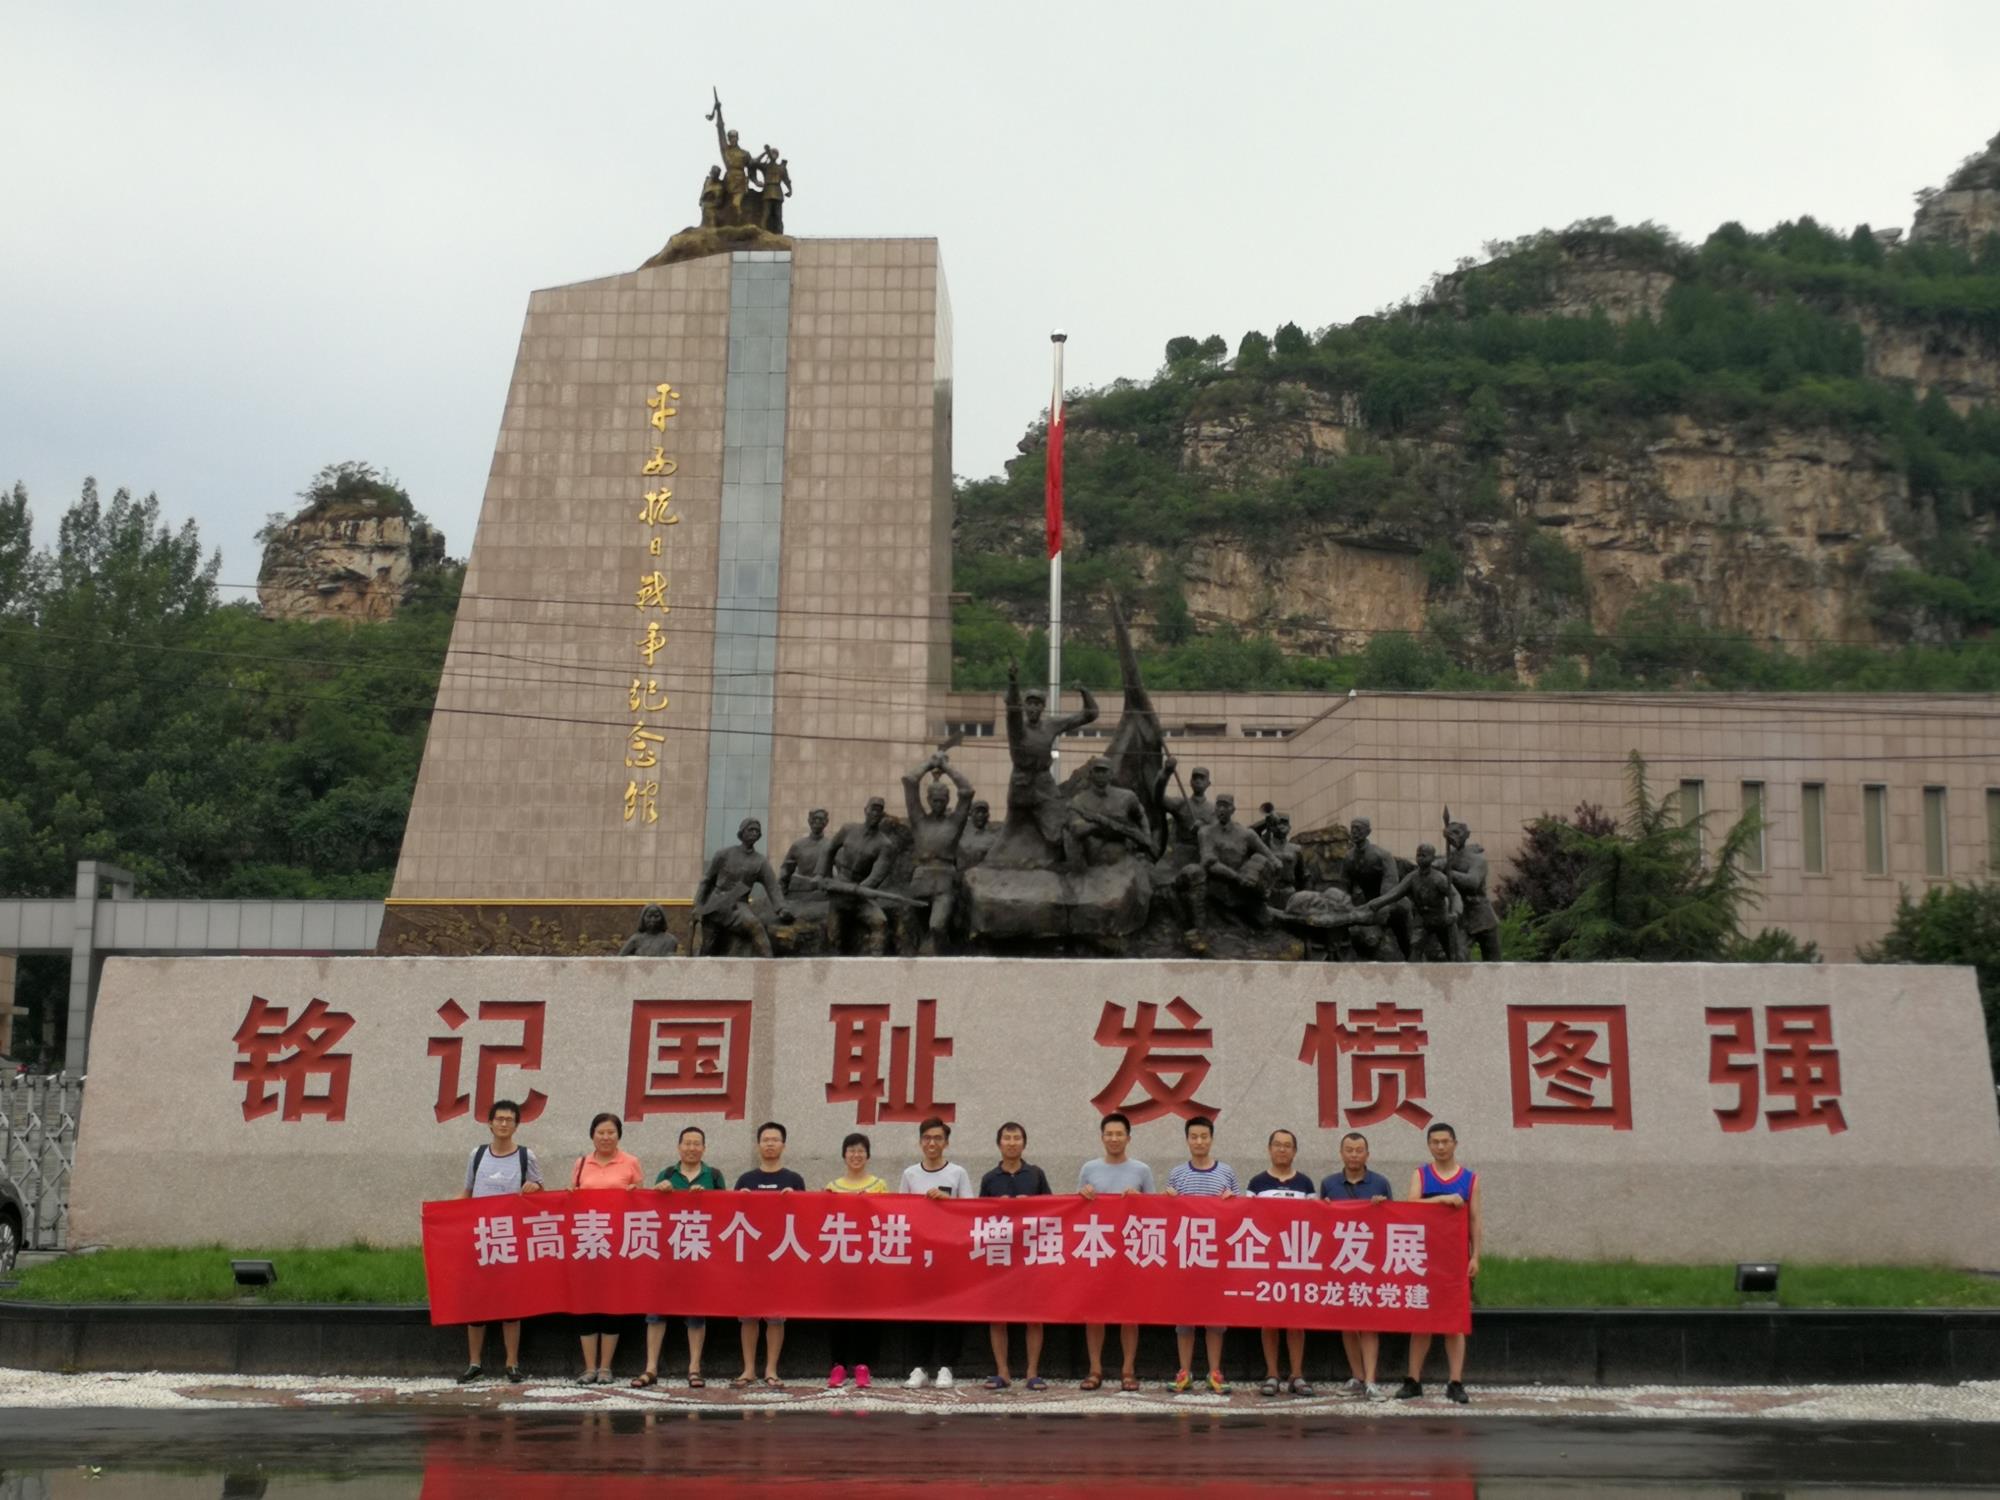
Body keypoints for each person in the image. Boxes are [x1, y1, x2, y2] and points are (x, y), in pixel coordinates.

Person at [455, 1098, 542, 1384]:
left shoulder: (526, 1156)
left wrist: (534, 1187)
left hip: (511, 1238)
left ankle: (512, 1363)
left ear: (517, 1125)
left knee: (511, 1304)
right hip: (480, 1237)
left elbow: (541, 1194)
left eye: (509, 1120)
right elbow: (467, 1193)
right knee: (476, 1303)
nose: (504, 1124)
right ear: (490, 1123)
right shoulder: (478, 1154)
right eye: (499, 1119)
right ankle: (474, 1363)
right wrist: (439, 1214)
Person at [632, 1126, 725, 1389]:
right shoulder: (667, 1174)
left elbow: (725, 1212)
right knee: (656, 1311)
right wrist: (658, 1191)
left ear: (704, 1149)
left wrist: (706, 1199)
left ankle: (694, 1368)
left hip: (698, 1254)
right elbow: (652, 1210)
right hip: (666, 1254)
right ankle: (650, 1368)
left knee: (696, 1312)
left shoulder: (714, 1175)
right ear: (678, 1147)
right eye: (687, 1143)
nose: (691, 1148)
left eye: (697, 1144)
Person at [1396, 1122, 1480, 1406]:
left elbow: (1475, 1220)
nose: (1441, 1146)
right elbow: (1410, 1205)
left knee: (1454, 1323)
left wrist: (1476, 1255)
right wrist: (1443, 1199)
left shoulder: (1470, 1179)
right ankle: (1413, 1380)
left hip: (1455, 1261)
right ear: (1429, 1145)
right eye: (1435, 1142)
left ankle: (1455, 1382)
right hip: (1422, 1258)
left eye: (1445, 1141)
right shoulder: (1421, 1175)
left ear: (1455, 1143)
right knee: (1421, 1321)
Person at [1077, 1111, 1154, 1392]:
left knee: (1129, 1313)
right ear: (1102, 1137)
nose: (1114, 1138)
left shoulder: (1142, 1170)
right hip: (1098, 1250)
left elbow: (1156, 1211)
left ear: (1128, 1138)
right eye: (1109, 1134)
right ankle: (1095, 1369)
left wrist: (1139, 1200)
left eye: (1119, 1134)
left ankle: (1128, 1370)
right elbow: (1076, 1210)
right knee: (1094, 1313)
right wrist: (1083, 1195)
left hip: (1130, 1251)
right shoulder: (1089, 1168)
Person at [899, 1116, 973, 1387]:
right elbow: (901, 1212)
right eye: (927, 1138)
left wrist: (948, 1202)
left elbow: (970, 1212)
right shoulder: (910, 1174)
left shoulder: (958, 1173)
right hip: (919, 1254)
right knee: (918, 1311)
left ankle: (946, 1366)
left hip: (949, 1254)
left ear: (946, 1143)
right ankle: (919, 1367)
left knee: (949, 1311)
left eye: (938, 1138)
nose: (932, 1143)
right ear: (920, 1142)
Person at [1166, 1115, 1237, 1395]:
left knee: (1215, 1319)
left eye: (1204, 1137)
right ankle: (1184, 1372)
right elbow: (1168, 1216)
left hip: (1217, 1257)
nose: (1199, 1142)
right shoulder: (1177, 1174)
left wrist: (1231, 1202)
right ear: (1187, 1140)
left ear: (1211, 1139)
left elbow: (1241, 1213)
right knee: (1184, 1320)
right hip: (1186, 1257)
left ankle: (1214, 1372)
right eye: (1194, 1137)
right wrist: (1168, 1201)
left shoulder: (1226, 1172)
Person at [980, 1121, 1052, 1390]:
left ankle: (1032, 1372)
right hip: (1000, 1255)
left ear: (1024, 1143)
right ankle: (1003, 1372)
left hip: (1030, 1254)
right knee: (998, 1316)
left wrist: (1030, 1206)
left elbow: (1053, 1210)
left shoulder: (1036, 1174)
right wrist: (998, 1208)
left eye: (1017, 1138)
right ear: (999, 1144)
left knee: (1034, 1316)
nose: (1012, 1143)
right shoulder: (990, 1178)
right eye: (1007, 1138)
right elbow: (977, 1217)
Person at [734, 1121, 806, 1388]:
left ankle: (771, 1370)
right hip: (751, 1258)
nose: (770, 1144)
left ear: (783, 1145)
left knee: (775, 1316)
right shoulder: (746, 1180)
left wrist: (795, 1199)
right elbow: (731, 1218)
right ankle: (748, 1369)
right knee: (748, 1316)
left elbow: (806, 1218)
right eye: (765, 1139)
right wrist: (739, 1199)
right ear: (758, 1145)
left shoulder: (794, 1180)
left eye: (775, 1140)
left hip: (780, 1257)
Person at [1321, 1131, 1394, 1397]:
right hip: (1340, 1261)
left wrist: (1381, 1207)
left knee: (1369, 1322)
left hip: (1370, 1262)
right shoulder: (1329, 1183)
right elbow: (1322, 1222)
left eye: (1359, 1150)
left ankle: (1371, 1379)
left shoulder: (1380, 1183)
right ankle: (1357, 1376)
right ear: (1341, 1153)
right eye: (1349, 1150)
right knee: (1347, 1323)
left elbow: (1393, 1221)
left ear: (1367, 1154)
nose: (1354, 1155)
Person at [571, 1112, 641, 1384]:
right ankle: (589, 1367)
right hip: (587, 1243)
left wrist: (635, 1193)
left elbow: (641, 1201)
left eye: (611, 1132)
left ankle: (605, 1367)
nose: (606, 1137)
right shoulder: (581, 1164)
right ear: (592, 1135)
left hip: (618, 1244)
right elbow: (573, 1197)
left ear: (619, 1135)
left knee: (612, 1301)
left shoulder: (630, 1162)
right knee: (586, 1302)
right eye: (600, 1132)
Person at [1245, 1128, 1314, 1398]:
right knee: (1269, 1319)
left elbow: (1316, 1220)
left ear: (1294, 1151)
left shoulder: (1306, 1184)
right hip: (1266, 1259)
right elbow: (1245, 1218)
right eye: (1277, 1144)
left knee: (1296, 1320)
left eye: (1287, 1145)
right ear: (1269, 1149)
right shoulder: (1257, 1183)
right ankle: (1272, 1373)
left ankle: (1297, 1374)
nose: (1282, 1149)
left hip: (1297, 1259)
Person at [824, 1132, 889, 1389]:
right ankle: (838, 1365)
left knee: (866, 1314)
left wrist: (870, 1203)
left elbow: (889, 1216)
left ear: (868, 1155)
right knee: (837, 1314)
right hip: (840, 1258)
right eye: (851, 1150)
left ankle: (863, 1366)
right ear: (844, 1155)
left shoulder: (879, 1185)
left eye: (861, 1150)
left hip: (869, 1260)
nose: (856, 1155)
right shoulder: (832, 1187)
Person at [901, 751, 975, 954]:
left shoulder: (955, 822)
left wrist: (945, 767)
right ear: (928, 800)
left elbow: (967, 791)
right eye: (934, 800)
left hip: (944, 879)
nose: (938, 804)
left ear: (947, 800)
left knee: (937, 926)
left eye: (942, 800)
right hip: (921, 879)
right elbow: (909, 781)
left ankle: (942, 956)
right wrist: (929, 763)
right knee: (917, 932)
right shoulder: (919, 819)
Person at [693, 818, 791, 957]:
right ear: (742, 832)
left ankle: (769, 963)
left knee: (755, 926)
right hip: (715, 907)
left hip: (738, 907)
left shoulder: (760, 861)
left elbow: (772, 887)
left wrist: (781, 908)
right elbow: (706, 880)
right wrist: (698, 906)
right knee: (707, 947)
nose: (754, 833)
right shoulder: (723, 854)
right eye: (751, 830)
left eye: (757, 831)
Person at [823, 796, 898, 955]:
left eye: (879, 811)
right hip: (840, 890)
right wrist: (825, 876)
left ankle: (875, 961)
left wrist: (859, 889)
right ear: (865, 810)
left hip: (861, 894)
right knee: (833, 935)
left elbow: (877, 875)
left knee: (880, 922)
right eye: (872, 809)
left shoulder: (885, 844)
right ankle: (833, 963)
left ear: (882, 815)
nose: (875, 813)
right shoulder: (848, 829)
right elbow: (829, 850)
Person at [1445, 820, 1500, 961]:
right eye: (1449, 833)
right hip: (1463, 917)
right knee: (1459, 956)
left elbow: (1472, 882)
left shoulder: (1478, 860)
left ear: (1467, 834)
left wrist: (1450, 873)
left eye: (1457, 832)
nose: (1452, 837)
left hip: (1483, 918)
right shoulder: (1450, 857)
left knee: (1493, 963)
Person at [779, 808, 833, 899]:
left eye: (820, 819)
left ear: (826, 822)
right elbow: (785, 870)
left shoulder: (832, 846)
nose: (817, 821)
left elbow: (842, 870)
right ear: (809, 821)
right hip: (800, 894)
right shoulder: (798, 845)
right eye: (814, 819)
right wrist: (782, 893)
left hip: (824, 896)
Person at [956, 800, 1000, 871]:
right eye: (977, 812)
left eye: (983, 812)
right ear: (970, 814)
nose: (980, 815)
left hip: (984, 872)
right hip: (962, 872)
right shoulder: (961, 833)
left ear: (988, 815)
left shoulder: (994, 836)